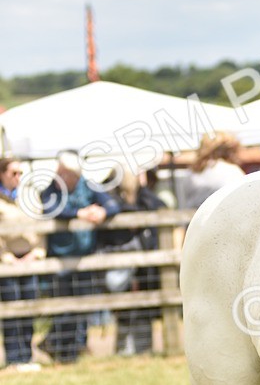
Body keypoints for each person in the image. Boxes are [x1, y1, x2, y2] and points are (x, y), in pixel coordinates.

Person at [39, 152, 120, 364]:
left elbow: (113, 204)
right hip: (60, 260)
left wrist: (103, 212)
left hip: (85, 258)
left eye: (64, 174)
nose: (60, 177)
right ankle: (59, 347)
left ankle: (70, 351)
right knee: (65, 308)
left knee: (83, 307)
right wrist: (79, 214)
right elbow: (51, 208)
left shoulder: (88, 186)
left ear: (73, 175)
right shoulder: (51, 189)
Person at [97, 170, 166, 355]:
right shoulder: (110, 195)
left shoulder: (144, 197)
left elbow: (160, 206)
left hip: (144, 263)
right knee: (123, 307)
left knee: (144, 306)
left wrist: (141, 190)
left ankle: (144, 348)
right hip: (118, 259)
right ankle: (123, 350)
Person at [0, 157, 45, 371]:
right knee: (11, 309)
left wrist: (36, 253)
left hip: (30, 259)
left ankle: (27, 356)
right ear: (2, 174)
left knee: (28, 308)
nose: (18, 177)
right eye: (13, 173)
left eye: (20, 173)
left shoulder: (30, 195)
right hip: (7, 262)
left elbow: (42, 226)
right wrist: (7, 258)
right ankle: (13, 358)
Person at [181, 133, 245, 209]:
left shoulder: (191, 172)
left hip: (194, 218)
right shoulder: (232, 171)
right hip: (223, 218)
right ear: (229, 151)